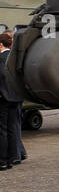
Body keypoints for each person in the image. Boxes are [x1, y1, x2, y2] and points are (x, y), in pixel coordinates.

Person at [0, 31, 23, 170]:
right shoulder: (15, 58)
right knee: (12, 128)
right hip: (16, 97)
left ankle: (2, 161)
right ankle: (12, 158)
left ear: (1, 44)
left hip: (3, 98)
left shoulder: (1, 58)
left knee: (2, 129)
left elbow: (2, 75)